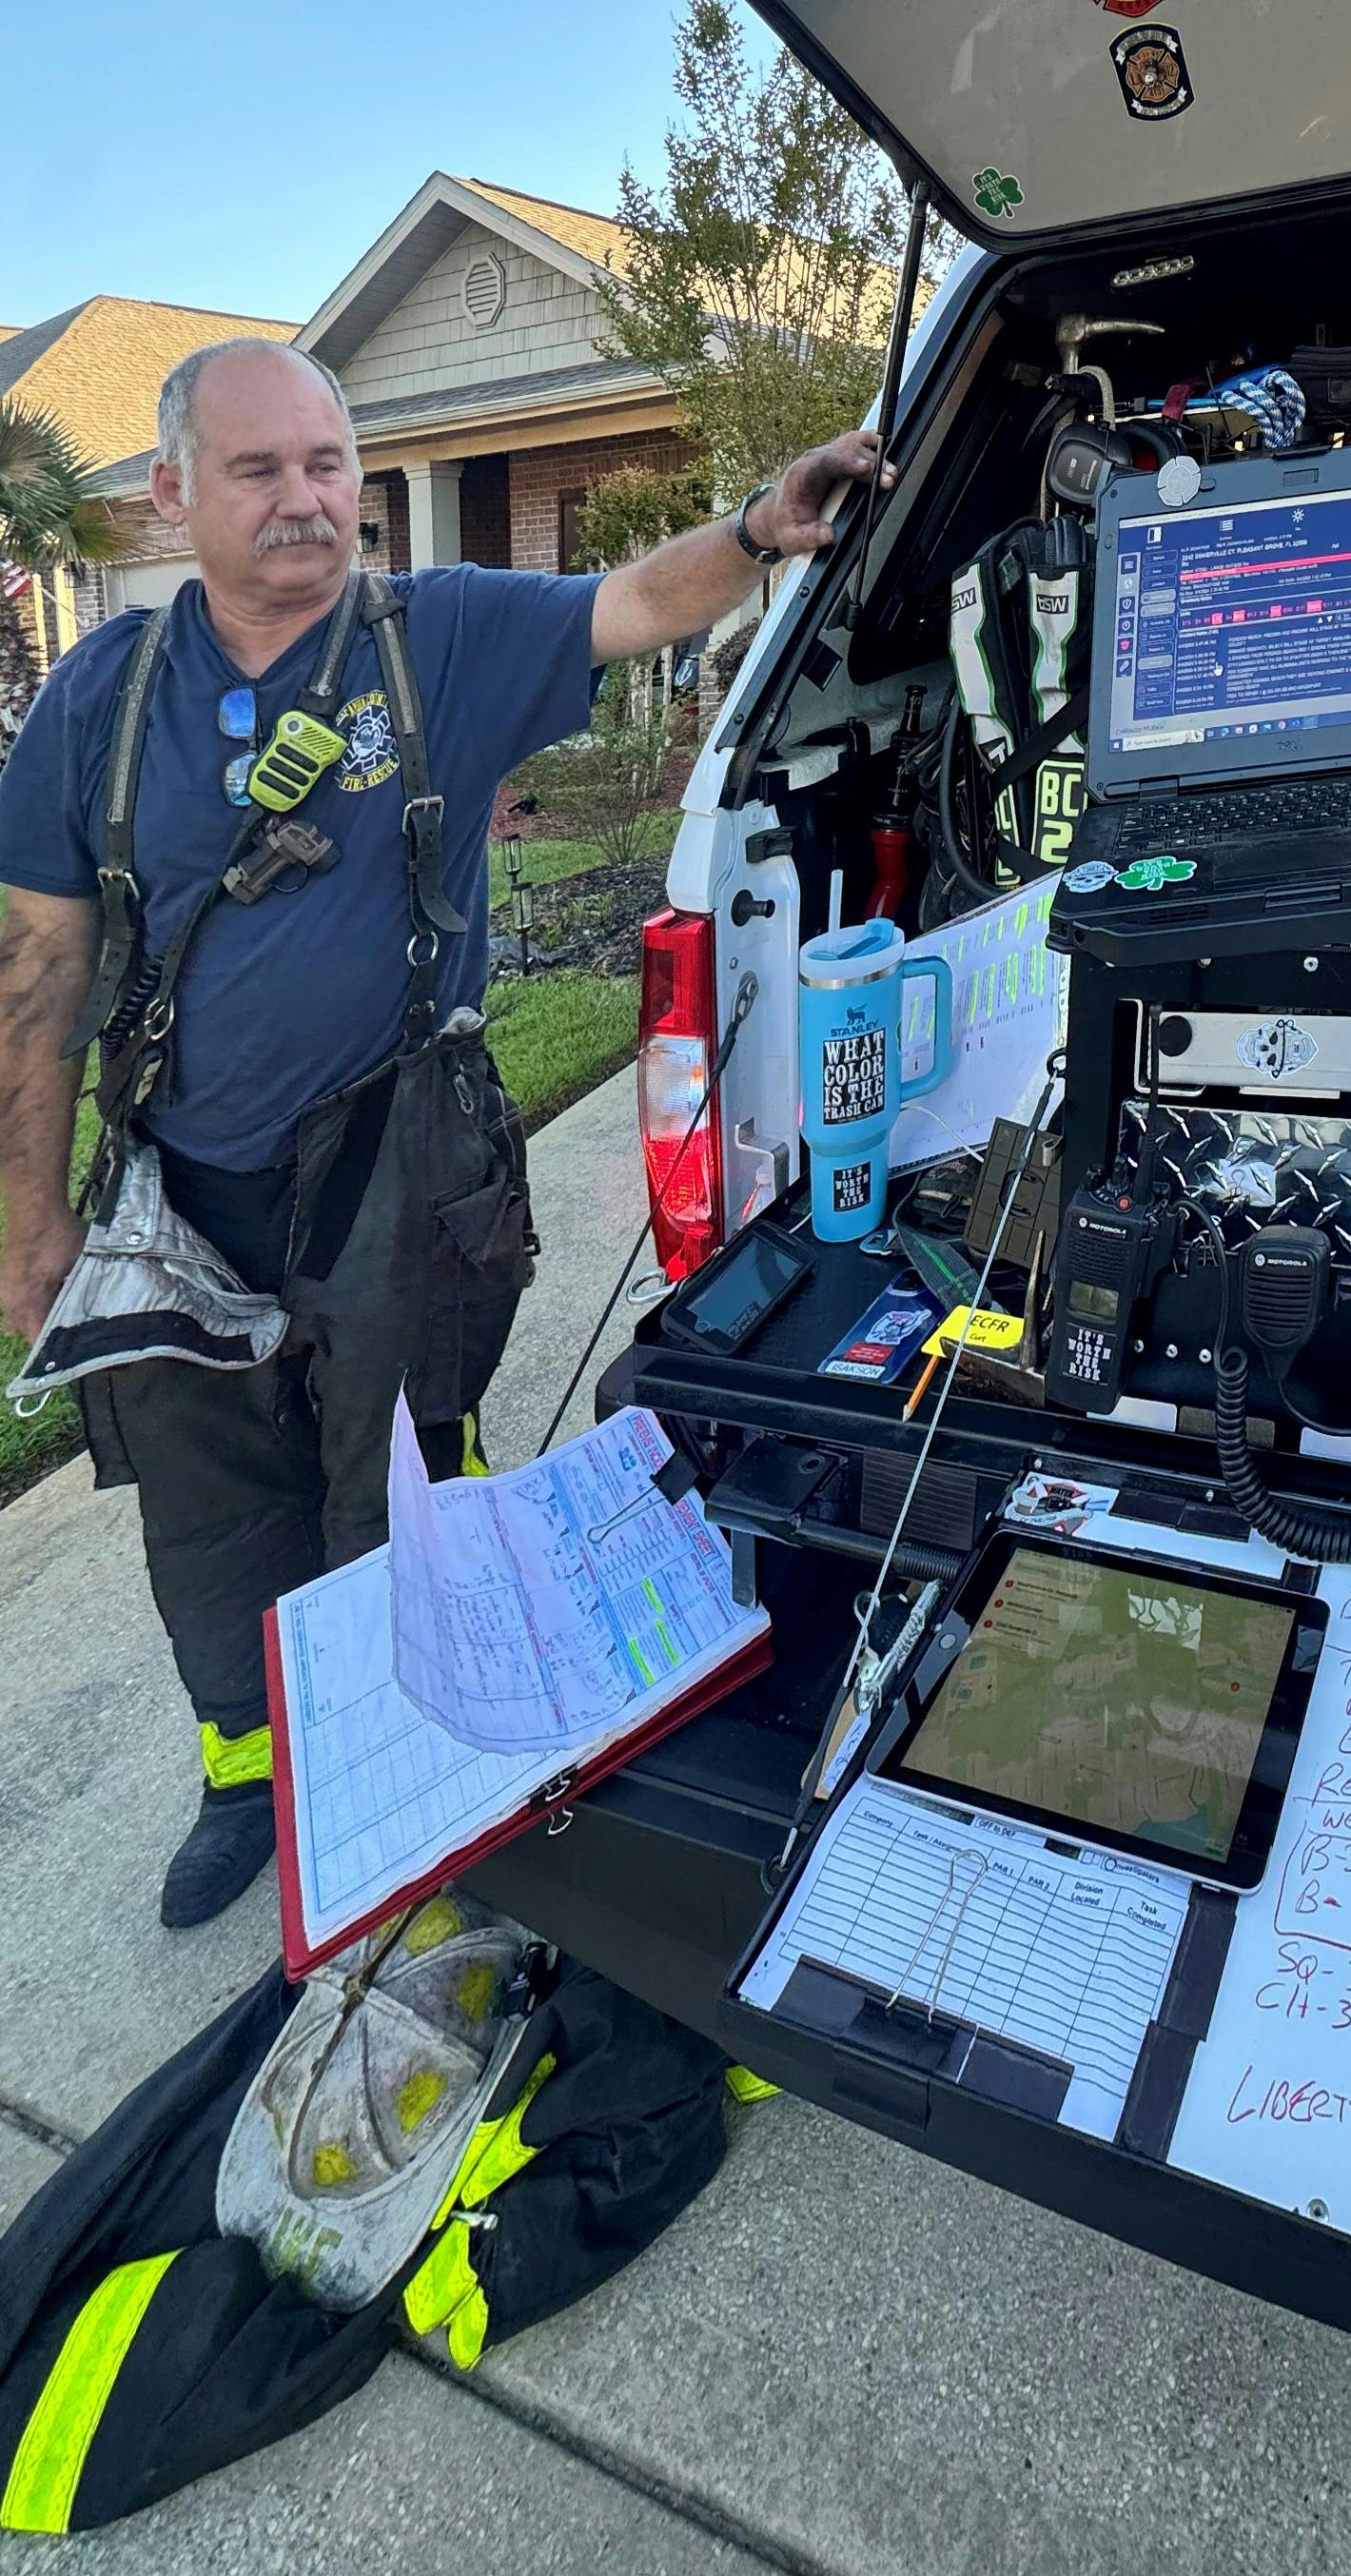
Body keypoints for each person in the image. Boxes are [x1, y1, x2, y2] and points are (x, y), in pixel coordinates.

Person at [0, 338, 888, 1928]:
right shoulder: (98, 701)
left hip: (405, 1175)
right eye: (261, 469)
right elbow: (39, 966)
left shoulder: (442, 641)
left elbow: (639, 598)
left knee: (398, 1496)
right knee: (210, 1515)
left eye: (329, 464)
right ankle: (249, 1772)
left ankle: (418, 1777)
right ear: (171, 491)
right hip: (174, 1195)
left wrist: (758, 527)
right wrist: (30, 1220)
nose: (307, 501)